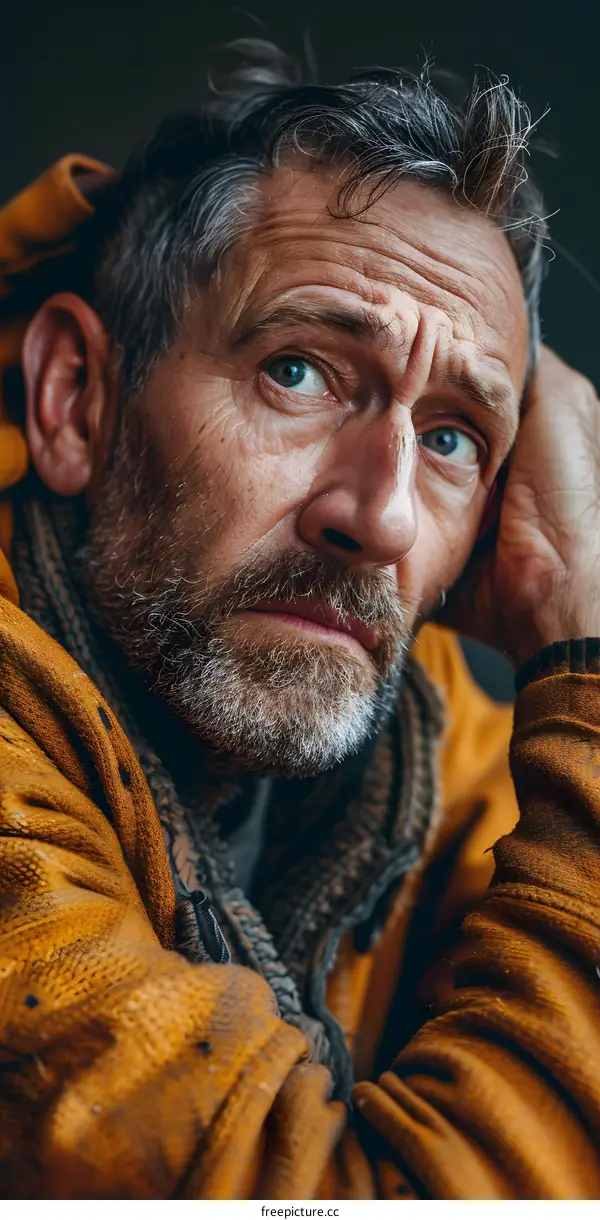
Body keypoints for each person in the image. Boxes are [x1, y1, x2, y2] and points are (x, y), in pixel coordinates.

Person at [1, 42, 599, 1201]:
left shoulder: (444, 774)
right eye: (299, 372)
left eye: (450, 438)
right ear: (77, 398)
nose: (377, 514)